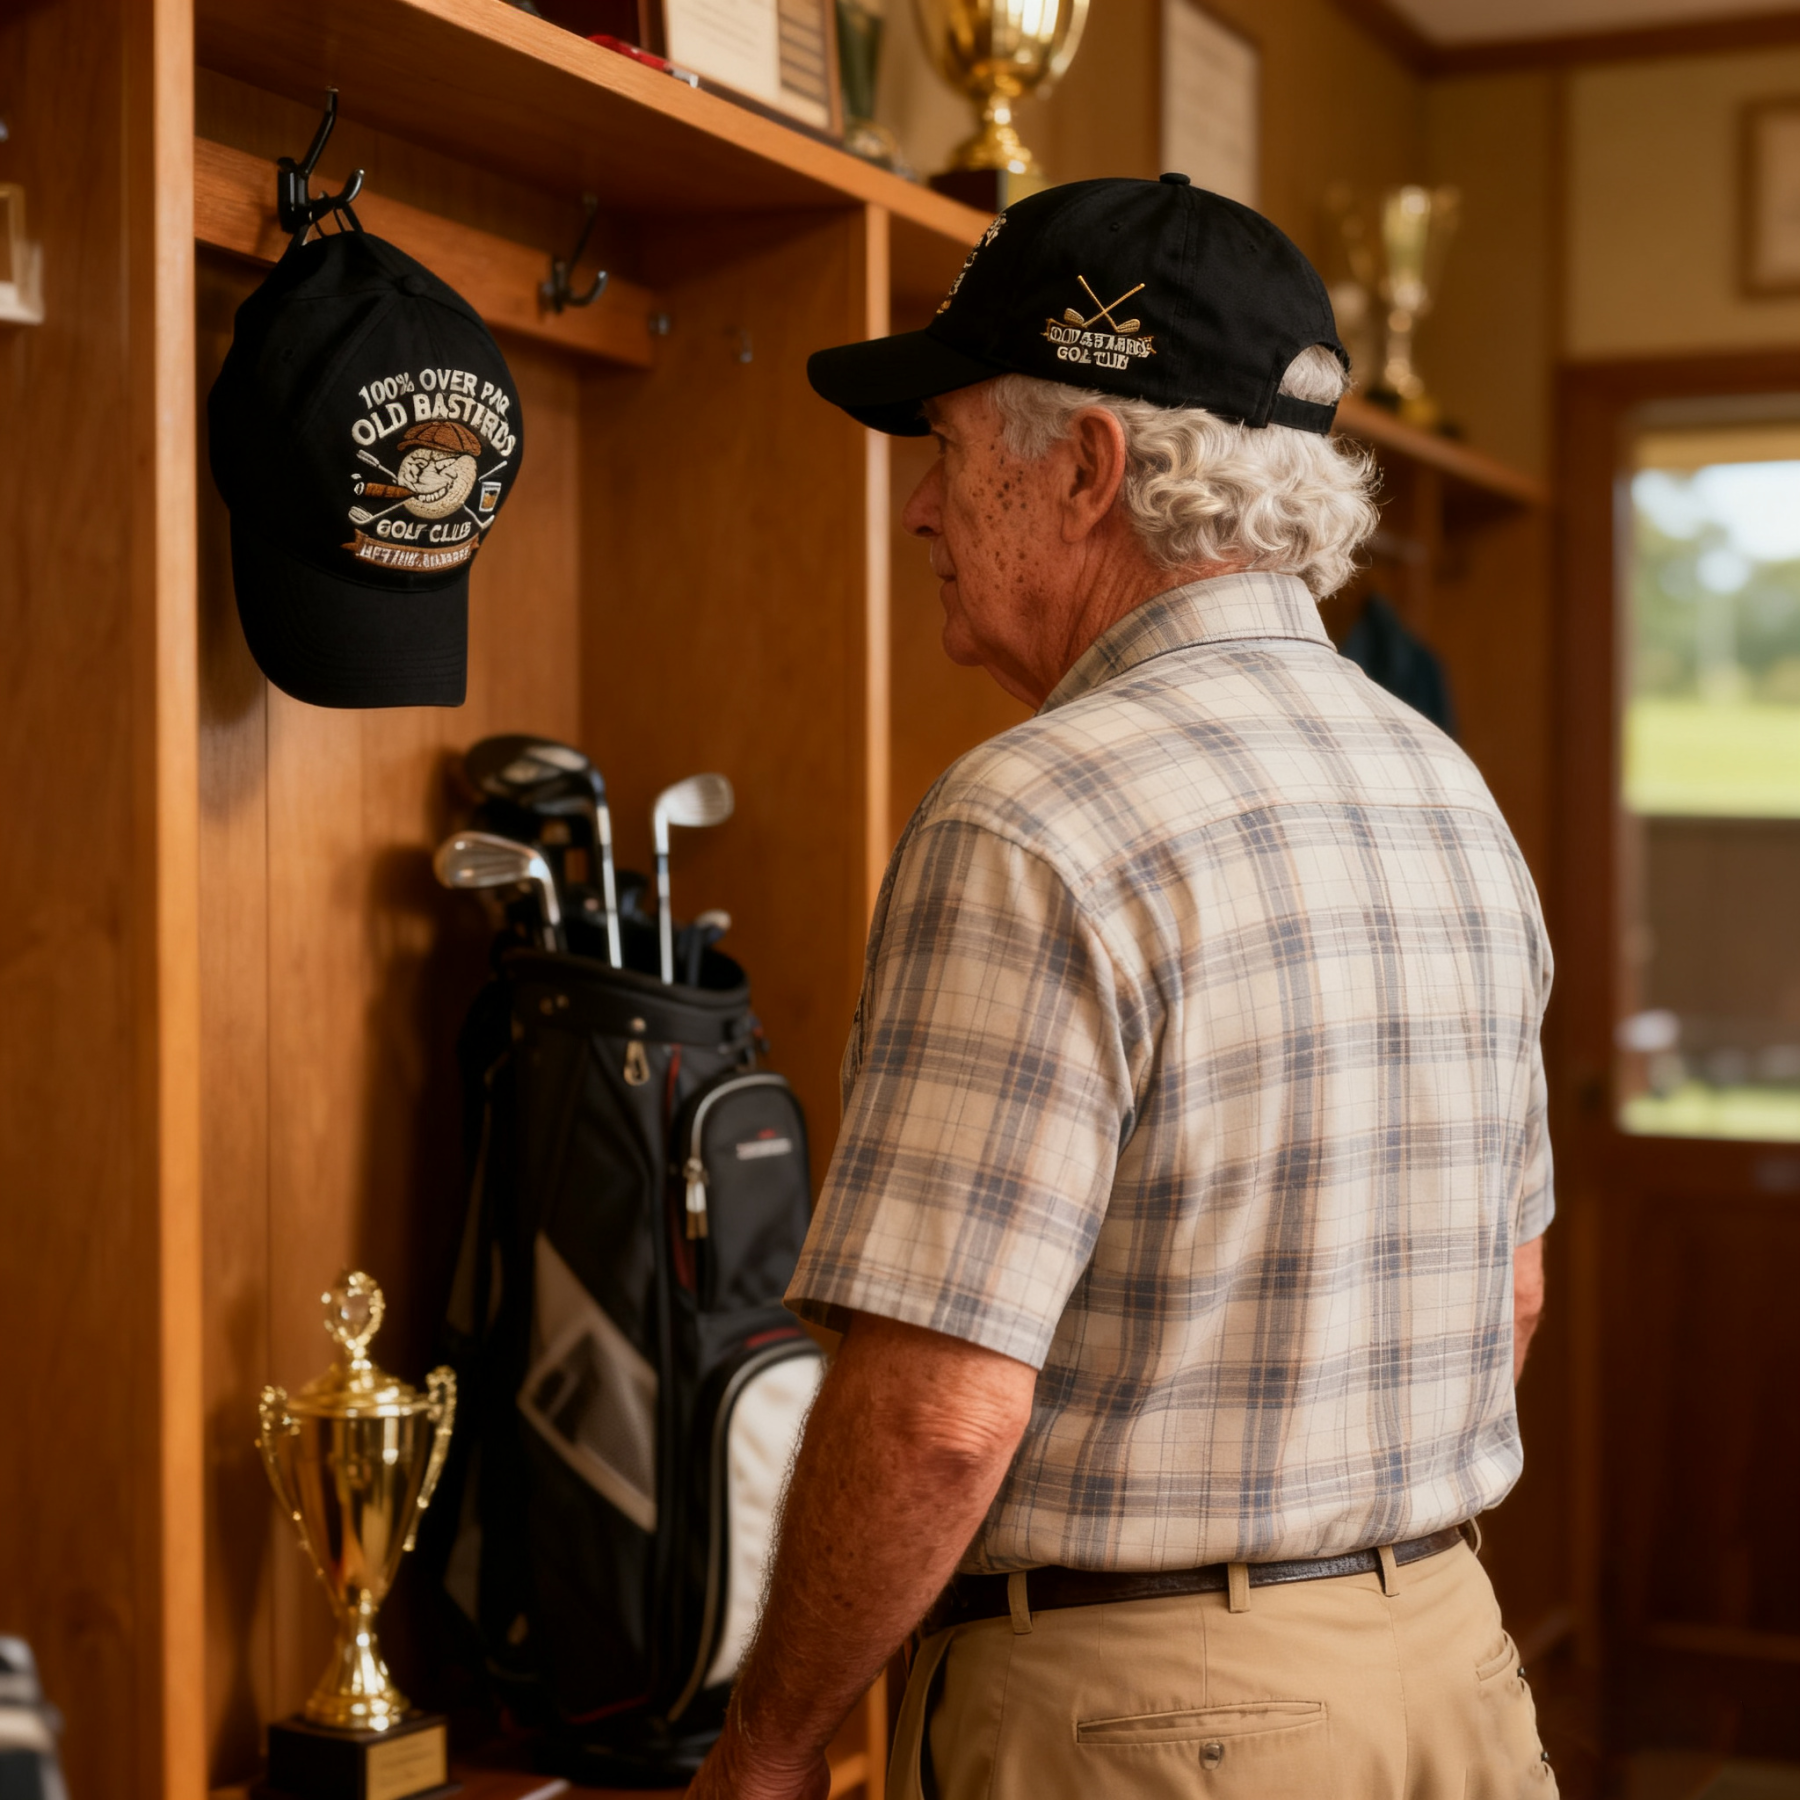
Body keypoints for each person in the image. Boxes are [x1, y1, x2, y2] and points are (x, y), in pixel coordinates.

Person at [689, 176, 1555, 1800]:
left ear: (1088, 468)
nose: (920, 511)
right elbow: (1507, 1296)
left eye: (947, 449)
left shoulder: (1028, 817)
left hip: (1150, 1727)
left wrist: (771, 1747)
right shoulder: (1449, 790)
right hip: (1453, 1680)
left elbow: (940, 1415)